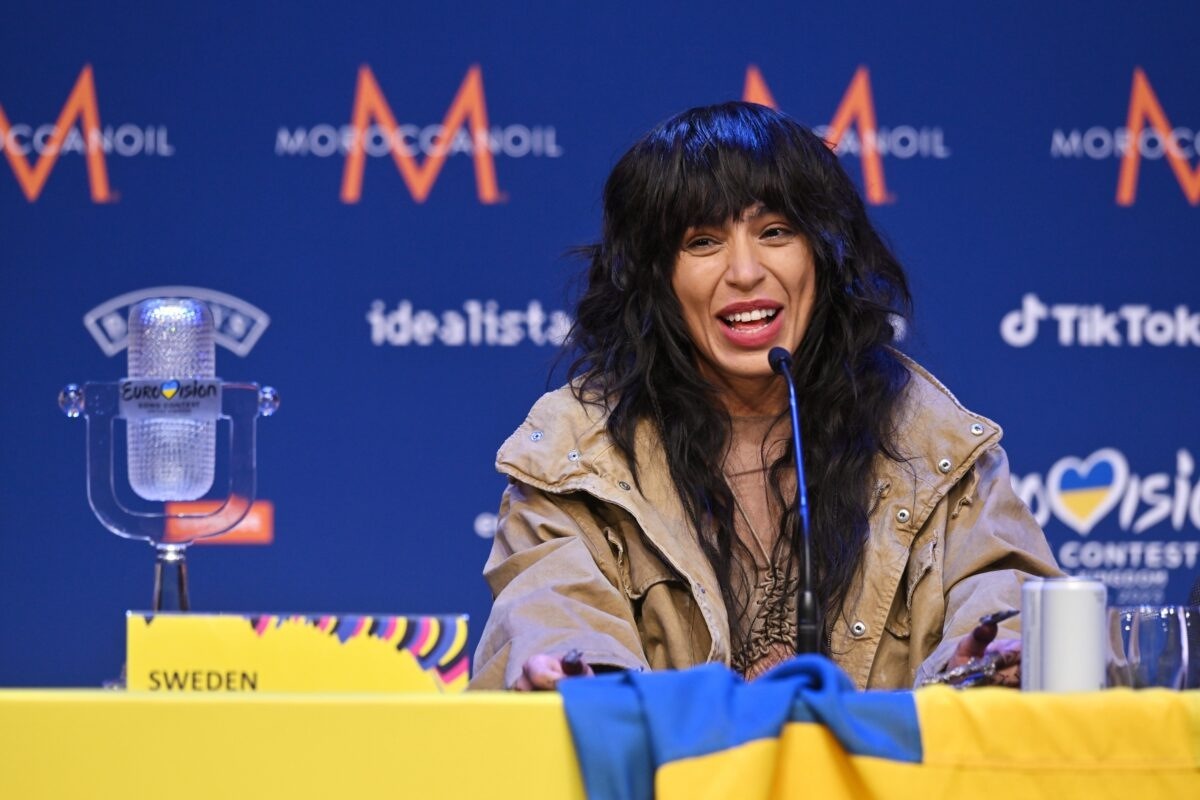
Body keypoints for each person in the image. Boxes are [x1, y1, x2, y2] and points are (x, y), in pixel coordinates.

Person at [470, 102, 1060, 692]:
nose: (746, 271)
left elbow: (1009, 604)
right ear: (655, 278)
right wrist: (582, 675)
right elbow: (551, 616)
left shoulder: (936, 446)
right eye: (703, 242)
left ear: (825, 255)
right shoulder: (573, 460)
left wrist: (990, 664)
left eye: (775, 232)